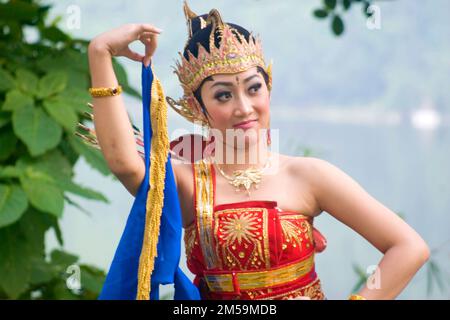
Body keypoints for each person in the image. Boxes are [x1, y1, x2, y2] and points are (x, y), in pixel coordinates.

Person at [84, 2, 430, 300]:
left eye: (253, 88)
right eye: (223, 95)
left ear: (268, 88)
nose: (244, 108)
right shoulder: (189, 182)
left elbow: (408, 248)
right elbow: (125, 163)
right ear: (197, 106)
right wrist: (100, 53)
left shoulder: (308, 175)